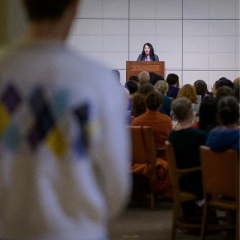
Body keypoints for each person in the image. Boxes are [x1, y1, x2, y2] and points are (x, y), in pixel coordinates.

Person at [0, 0, 131, 239]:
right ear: (74, 6)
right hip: (78, 231)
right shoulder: (98, 81)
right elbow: (117, 185)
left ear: (23, 4)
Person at [168, 97, 207, 218]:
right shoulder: (200, 136)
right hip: (198, 181)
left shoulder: (172, 137)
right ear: (192, 113)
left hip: (180, 181)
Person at [131, 91, 172, 194]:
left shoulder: (136, 121)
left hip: (139, 159)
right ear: (160, 105)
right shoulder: (166, 120)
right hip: (160, 158)